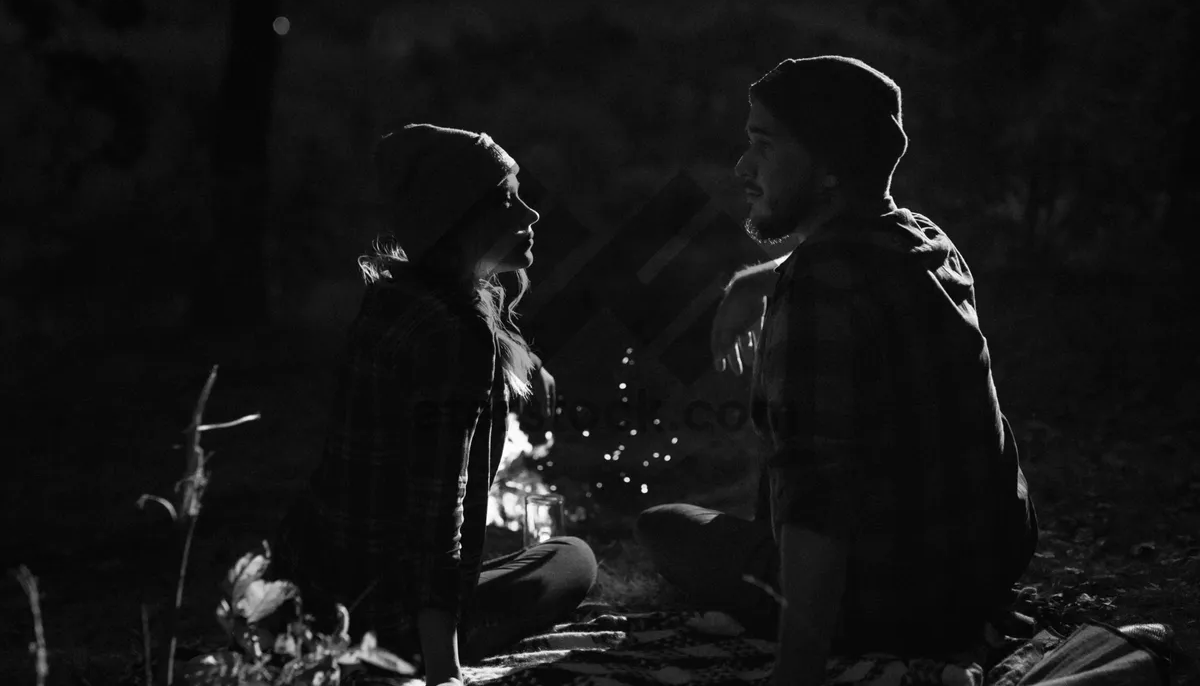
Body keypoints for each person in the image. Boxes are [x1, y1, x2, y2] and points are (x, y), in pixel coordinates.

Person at [635, 56, 1039, 685]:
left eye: (763, 146)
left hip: (890, 603)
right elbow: (859, 250)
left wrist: (796, 670)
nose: (743, 168)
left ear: (829, 167)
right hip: (987, 570)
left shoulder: (821, 286)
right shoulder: (928, 241)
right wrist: (755, 281)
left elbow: (817, 497)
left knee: (665, 529)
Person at [270, 123, 597, 686]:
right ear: (457, 220)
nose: (530, 214)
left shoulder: (395, 297)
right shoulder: (458, 337)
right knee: (573, 558)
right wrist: (443, 671)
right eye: (504, 199)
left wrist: (528, 367)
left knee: (554, 554)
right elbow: (435, 512)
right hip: (386, 630)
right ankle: (427, 647)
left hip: (310, 596)